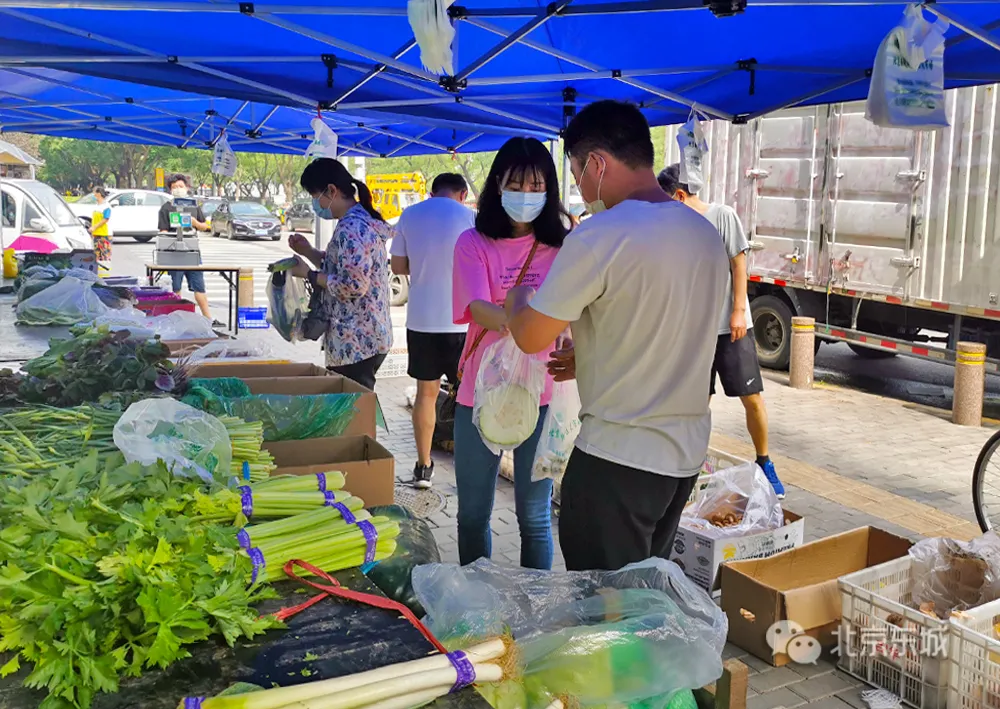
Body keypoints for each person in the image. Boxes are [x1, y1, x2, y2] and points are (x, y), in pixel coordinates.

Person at [505, 100, 730, 572]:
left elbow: (530, 336)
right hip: (682, 460)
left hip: (617, 460)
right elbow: (666, 330)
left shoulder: (600, 235)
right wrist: (591, 354)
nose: (580, 189)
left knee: (603, 606)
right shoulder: (705, 234)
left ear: (597, 164)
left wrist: (518, 297)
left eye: (577, 174)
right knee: (643, 594)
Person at [451, 137, 569, 570]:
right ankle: (477, 599)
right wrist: (522, 318)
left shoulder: (563, 247)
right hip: (480, 393)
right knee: (472, 515)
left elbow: (574, 312)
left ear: (549, 190)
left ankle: (533, 601)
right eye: (516, 186)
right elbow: (476, 306)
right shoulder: (473, 242)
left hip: (542, 394)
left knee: (534, 517)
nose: (526, 195)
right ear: (498, 185)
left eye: (536, 186)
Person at [658, 164, 785, 499]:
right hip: (695, 333)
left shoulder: (722, 216)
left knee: (751, 398)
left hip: (730, 329)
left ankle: (764, 462)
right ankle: (691, 464)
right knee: (697, 403)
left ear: (679, 196)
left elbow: (739, 265)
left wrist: (738, 311)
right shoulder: (674, 229)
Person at [391, 173, 475, 490]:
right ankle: (469, 470)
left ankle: (423, 468)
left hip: (422, 320)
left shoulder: (410, 215)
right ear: (462, 194)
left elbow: (398, 267)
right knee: (466, 397)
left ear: (432, 192)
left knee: (425, 394)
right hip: (463, 321)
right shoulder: (471, 218)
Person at [288, 158, 393, 390]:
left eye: (315, 196)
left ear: (331, 190)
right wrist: (308, 252)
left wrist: (309, 275)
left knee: (354, 405)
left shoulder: (352, 228)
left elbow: (353, 285)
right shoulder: (357, 221)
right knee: (355, 402)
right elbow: (342, 266)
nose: (315, 204)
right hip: (366, 336)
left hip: (356, 340)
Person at [158, 173, 213, 321]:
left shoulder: (194, 206)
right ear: (170, 190)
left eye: (180, 186)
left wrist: (195, 223)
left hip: (192, 252)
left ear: (187, 188)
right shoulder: (166, 208)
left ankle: (208, 318)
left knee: (199, 286)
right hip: (173, 254)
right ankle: (176, 318)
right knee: (175, 287)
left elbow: (205, 226)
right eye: (174, 187)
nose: (178, 189)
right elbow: (163, 231)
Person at [89, 186, 112, 275]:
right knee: (97, 256)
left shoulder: (106, 206)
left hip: (104, 234)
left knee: (104, 256)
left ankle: (105, 275)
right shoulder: (96, 206)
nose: (93, 194)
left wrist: (95, 227)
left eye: (94, 192)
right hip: (96, 234)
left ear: (99, 194)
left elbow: (105, 219)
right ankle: (98, 274)